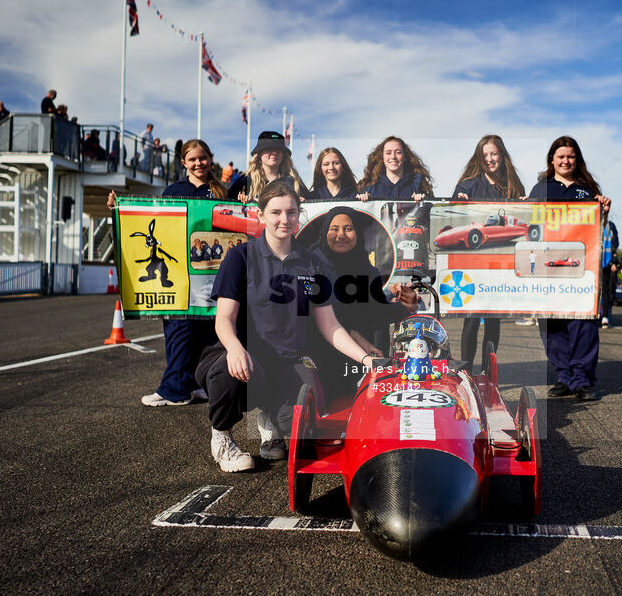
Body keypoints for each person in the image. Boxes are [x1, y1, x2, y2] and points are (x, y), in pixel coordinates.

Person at [195, 182, 381, 472]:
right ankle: (222, 435)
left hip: (290, 360)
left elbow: (329, 325)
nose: (285, 219)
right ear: (261, 216)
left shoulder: (312, 263)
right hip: (247, 356)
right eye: (276, 212)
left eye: (291, 212)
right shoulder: (240, 257)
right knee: (227, 372)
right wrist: (234, 349)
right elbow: (224, 320)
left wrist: (366, 359)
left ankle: (271, 419)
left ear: (299, 215)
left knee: (304, 430)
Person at [107, 139, 229, 406]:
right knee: (178, 330)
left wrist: (243, 202)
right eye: (193, 159)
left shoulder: (221, 192)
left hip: (210, 276)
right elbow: (156, 225)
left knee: (209, 335)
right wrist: (119, 209)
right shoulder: (173, 191)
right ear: (183, 162)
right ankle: (174, 389)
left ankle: (197, 385)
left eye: (203, 158)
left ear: (211, 159)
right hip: (178, 278)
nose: (199, 164)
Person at [529, 136, 610, 402]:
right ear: (551, 160)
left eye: (571, 157)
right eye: (561, 156)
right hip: (546, 267)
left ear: (577, 160)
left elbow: (596, 231)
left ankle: (582, 380)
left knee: (583, 325)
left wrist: (605, 212)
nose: (566, 161)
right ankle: (564, 377)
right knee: (553, 326)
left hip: (581, 269)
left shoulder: (587, 190)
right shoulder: (541, 189)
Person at [309, 206, 418, 394]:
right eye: (334, 229)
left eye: (348, 229)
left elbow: (375, 312)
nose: (341, 235)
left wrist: (408, 306)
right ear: (325, 231)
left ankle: (376, 384)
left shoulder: (367, 269)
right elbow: (325, 315)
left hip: (359, 353)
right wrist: (356, 337)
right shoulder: (311, 263)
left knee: (379, 327)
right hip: (321, 348)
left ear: (358, 233)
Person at [451, 135, 525, 365]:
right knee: (471, 318)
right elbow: (455, 217)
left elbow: (522, 217)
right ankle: (466, 371)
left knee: (493, 319)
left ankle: (487, 373)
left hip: (500, 262)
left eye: (494, 154)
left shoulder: (513, 185)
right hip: (473, 263)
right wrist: (458, 201)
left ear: (502, 156)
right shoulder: (467, 185)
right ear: (479, 158)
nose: (490, 159)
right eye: (485, 155)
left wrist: (525, 204)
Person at [227, 131, 307, 203]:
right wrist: (241, 201)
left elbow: (310, 204)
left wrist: (302, 201)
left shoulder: (294, 180)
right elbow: (226, 206)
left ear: (283, 155)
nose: (275, 152)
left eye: (279, 149)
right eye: (269, 148)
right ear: (259, 154)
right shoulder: (244, 181)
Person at [356, 136, 433, 201]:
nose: (393, 157)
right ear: (382, 157)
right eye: (388, 153)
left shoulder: (417, 185)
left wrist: (422, 202)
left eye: (398, 152)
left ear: (405, 157)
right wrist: (360, 201)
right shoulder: (370, 186)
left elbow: (428, 214)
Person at [600, 220, 619, 328]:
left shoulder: (589, 219)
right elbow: (615, 243)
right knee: (606, 290)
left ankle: (599, 315)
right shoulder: (610, 225)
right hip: (606, 260)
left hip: (594, 260)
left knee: (597, 290)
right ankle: (605, 316)